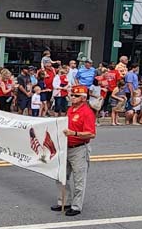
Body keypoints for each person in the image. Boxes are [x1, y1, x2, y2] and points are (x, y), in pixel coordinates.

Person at [51, 85, 96, 217]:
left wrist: (74, 133)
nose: (72, 97)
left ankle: (76, 206)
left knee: (79, 179)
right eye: (72, 95)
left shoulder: (87, 112)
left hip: (79, 149)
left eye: (76, 96)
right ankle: (64, 202)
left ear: (83, 98)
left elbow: (91, 134)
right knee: (60, 176)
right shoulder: (71, 109)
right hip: (66, 147)